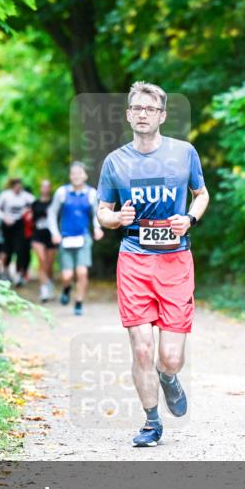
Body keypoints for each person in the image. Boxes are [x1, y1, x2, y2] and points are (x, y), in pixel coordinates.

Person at [95, 82, 209, 447]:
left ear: (162, 115)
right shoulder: (115, 162)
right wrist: (116, 219)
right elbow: (102, 212)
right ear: (128, 114)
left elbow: (201, 194)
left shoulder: (184, 153)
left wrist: (189, 219)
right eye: (136, 108)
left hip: (176, 259)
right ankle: (151, 421)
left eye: (150, 109)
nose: (143, 114)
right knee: (141, 346)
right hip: (134, 258)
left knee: (170, 358)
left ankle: (169, 377)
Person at [48, 163, 104, 315]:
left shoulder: (91, 193)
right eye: (73, 173)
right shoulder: (62, 192)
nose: (76, 176)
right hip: (65, 238)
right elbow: (52, 213)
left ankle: (79, 302)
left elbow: (97, 213)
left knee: (82, 272)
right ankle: (66, 288)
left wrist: (98, 228)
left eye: (80, 173)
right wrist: (54, 232)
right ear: (70, 176)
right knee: (67, 276)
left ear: (85, 175)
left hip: (83, 238)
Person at [0, 178, 34, 284]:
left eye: (20, 187)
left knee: (20, 249)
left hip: (20, 225)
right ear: (12, 186)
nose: (18, 189)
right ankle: (5, 271)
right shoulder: (5, 195)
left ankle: (19, 273)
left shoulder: (25, 196)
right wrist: (4, 217)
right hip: (7, 225)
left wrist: (29, 211)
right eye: (16, 187)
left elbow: (35, 204)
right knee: (7, 249)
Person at [31, 179, 58, 302]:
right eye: (43, 186)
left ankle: (50, 283)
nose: (45, 189)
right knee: (42, 261)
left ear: (50, 188)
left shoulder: (54, 202)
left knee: (49, 263)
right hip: (38, 235)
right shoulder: (35, 203)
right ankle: (44, 290)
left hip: (51, 235)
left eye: (47, 186)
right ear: (40, 188)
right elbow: (31, 220)